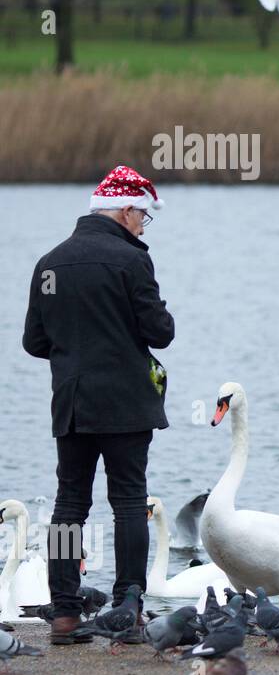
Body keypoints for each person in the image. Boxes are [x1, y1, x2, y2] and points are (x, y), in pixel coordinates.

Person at [22, 166, 174, 644]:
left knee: (70, 505)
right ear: (126, 210)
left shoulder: (49, 263)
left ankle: (65, 613)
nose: (142, 227)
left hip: (71, 402)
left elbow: (33, 341)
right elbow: (160, 332)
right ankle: (128, 608)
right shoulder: (131, 261)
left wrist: (74, 357)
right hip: (126, 401)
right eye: (143, 219)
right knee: (129, 501)